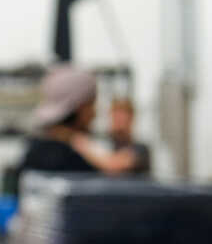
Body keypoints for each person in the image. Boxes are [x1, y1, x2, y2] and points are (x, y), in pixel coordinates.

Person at [16, 64, 136, 192]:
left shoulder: (34, 150)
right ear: (80, 107)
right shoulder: (74, 160)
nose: (94, 114)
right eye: (92, 104)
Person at [108, 96, 152, 175]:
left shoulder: (141, 149)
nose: (118, 120)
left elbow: (116, 164)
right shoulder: (105, 146)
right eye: (115, 115)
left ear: (131, 118)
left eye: (122, 115)